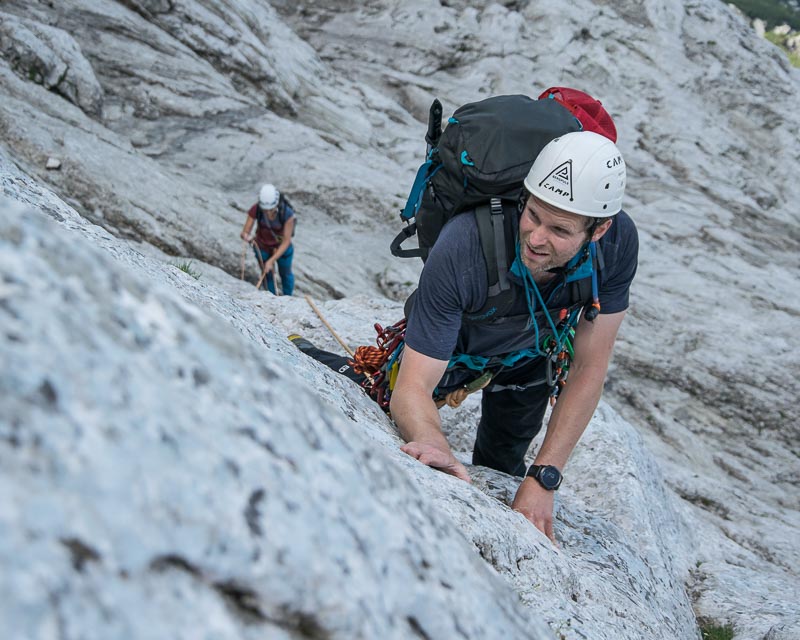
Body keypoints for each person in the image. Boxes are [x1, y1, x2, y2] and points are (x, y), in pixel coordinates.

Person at [389, 130, 638, 543]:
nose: (537, 238)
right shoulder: (466, 244)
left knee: (505, 457)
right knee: (381, 405)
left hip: (531, 353)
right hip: (458, 345)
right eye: (533, 215)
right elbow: (412, 386)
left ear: (598, 230)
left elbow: (589, 366)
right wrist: (431, 440)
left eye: (559, 229)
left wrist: (543, 478)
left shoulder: (617, 245)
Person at [240, 183, 295, 296]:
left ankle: (288, 297)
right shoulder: (257, 209)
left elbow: (286, 241)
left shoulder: (287, 214)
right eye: (265, 210)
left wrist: (271, 261)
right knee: (267, 274)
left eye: (270, 209)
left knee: (285, 273)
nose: (267, 212)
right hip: (262, 246)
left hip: (282, 248)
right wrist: (247, 237)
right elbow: (245, 232)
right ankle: (271, 296)